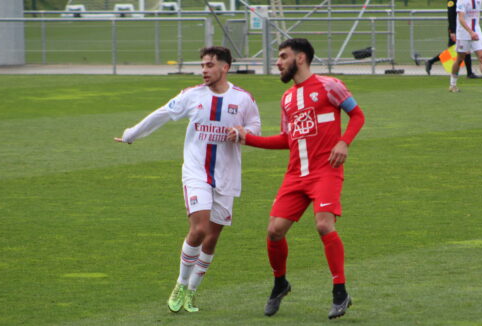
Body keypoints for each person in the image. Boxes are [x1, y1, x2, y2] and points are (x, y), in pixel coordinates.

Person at [114, 46, 261, 313]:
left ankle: (193, 290)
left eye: (209, 65)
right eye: (202, 65)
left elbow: (255, 127)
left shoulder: (243, 99)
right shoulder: (191, 96)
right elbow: (161, 114)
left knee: (212, 238)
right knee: (199, 229)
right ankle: (181, 283)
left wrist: (242, 132)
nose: (204, 70)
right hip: (196, 173)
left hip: (227, 176)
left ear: (224, 67)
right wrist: (131, 134)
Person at [228, 38, 365, 319]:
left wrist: (344, 142)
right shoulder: (287, 98)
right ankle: (280, 283)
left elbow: (358, 115)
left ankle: (340, 292)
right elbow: (288, 139)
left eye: (282, 56)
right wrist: (248, 138)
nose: (278, 62)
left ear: (300, 58)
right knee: (274, 231)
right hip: (295, 175)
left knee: (323, 224)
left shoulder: (330, 86)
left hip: (325, 170)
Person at [450, 0, 482, 92]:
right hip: (463, 34)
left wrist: (474, 32)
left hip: (476, 32)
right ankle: (452, 85)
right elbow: (461, 19)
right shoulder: (462, 1)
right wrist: (470, 32)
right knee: (460, 59)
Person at [425, 0, 481, 79]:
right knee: (455, 51)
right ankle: (431, 62)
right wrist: (452, 32)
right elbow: (451, 16)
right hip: (456, 30)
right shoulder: (452, 1)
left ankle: (469, 73)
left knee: (463, 50)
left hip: (462, 28)